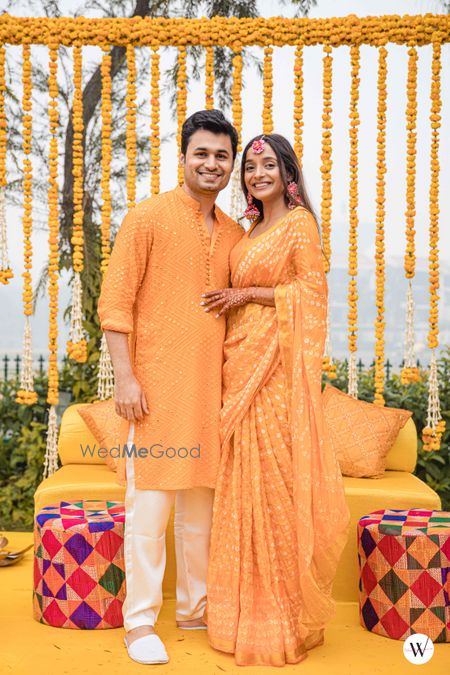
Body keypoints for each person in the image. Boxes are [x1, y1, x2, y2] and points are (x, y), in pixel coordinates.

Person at [97, 109, 244, 665]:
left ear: (231, 165)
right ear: (182, 157)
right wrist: (127, 379)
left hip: (211, 398)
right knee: (150, 512)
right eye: (201, 153)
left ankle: (194, 609)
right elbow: (115, 305)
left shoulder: (233, 234)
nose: (211, 163)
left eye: (221, 155)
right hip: (153, 396)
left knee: (200, 515)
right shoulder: (148, 217)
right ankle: (138, 623)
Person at [202, 133, 351, 666]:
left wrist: (247, 294)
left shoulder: (299, 223)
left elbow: (311, 294)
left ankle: (281, 619)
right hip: (239, 364)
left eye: (266, 165)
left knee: (276, 491)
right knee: (242, 488)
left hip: (275, 372)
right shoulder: (249, 229)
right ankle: (238, 614)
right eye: (250, 167)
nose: (256, 174)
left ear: (287, 173)